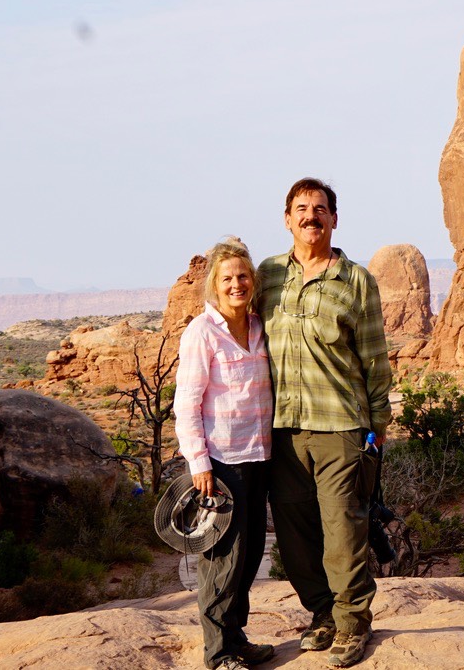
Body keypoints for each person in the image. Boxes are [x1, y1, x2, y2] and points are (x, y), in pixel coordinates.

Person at [258, 178, 392, 668]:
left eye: (320, 209)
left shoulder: (356, 281)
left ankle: (353, 623)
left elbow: (375, 359)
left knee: (342, 531)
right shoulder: (269, 275)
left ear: (334, 219)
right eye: (301, 208)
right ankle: (323, 615)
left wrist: (378, 428)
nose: (310, 216)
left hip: (340, 426)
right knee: (295, 536)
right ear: (287, 218)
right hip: (281, 429)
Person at [174, 237, 275, 670]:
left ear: (253, 280)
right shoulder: (203, 331)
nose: (237, 284)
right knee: (222, 560)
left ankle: (236, 637)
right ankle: (218, 654)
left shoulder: (257, 326)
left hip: (260, 456)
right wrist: (199, 463)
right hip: (222, 464)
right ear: (215, 285)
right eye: (227, 278)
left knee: (250, 555)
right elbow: (186, 403)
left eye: (243, 276)